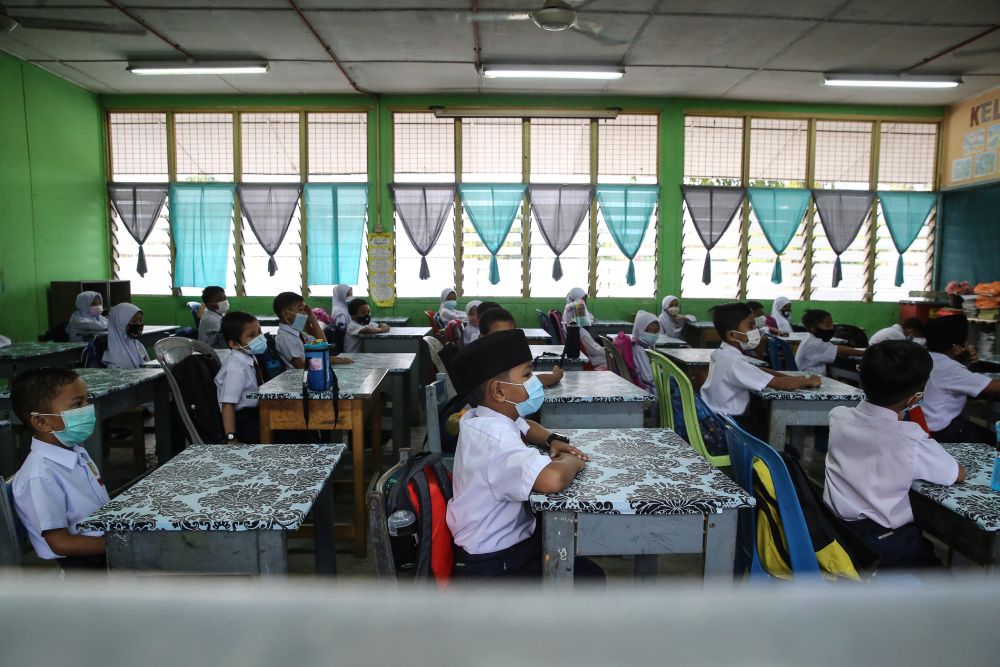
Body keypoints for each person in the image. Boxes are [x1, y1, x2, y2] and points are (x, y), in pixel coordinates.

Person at [445, 328, 600, 581]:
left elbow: (526, 428)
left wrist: (551, 439)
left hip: (491, 549)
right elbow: (552, 480)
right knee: (589, 578)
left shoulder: (482, 417)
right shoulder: (496, 440)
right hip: (494, 566)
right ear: (499, 391)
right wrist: (572, 461)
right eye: (527, 374)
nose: (534, 382)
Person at [824, 340, 965, 570]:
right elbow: (956, 473)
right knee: (940, 582)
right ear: (914, 398)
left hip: (839, 532)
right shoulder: (910, 439)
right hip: (886, 542)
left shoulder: (837, 416)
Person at [10, 368, 109, 570]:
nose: (88, 409)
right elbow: (61, 543)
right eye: (77, 404)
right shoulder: (40, 475)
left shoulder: (75, 451)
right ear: (42, 421)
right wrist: (122, 546)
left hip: (103, 544)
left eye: (86, 401)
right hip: (86, 565)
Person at [701, 302, 821, 419]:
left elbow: (757, 370)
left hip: (716, 417)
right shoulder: (734, 363)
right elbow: (781, 384)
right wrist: (809, 381)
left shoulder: (722, 354)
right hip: (729, 423)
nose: (756, 330)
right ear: (733, 335)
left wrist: (793, 378)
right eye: (751, 326)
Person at [923, 314, 1000, 444]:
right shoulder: (951, 369)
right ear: (956, 347)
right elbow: (994, 387)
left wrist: (964, 360)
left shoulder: (926, 358)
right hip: (942, 433)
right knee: (993, 440)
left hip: (923, 425)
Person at [478, 307, 564, 388]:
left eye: (509, 335)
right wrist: (555, 376)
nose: (504, 342)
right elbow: (528, 384)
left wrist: (555, 376)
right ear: (481, 338)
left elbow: (531, 381)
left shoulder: (511, 358)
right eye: (497, 336)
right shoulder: (481, 365)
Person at [216, 311, 265, 444]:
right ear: (234, 344)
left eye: (259, 331)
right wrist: (232, 438)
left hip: (254, 414)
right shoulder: (236, 368)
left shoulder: (248, 356)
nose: (260, 337)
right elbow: (227, 405)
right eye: (252, 335)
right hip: (242, 421)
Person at [272, 291, 351, 369]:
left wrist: (313, 318)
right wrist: (330, 359)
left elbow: (322, 343)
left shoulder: (297, 333)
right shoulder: (285, 338)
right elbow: (301, 366)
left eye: (305, 310)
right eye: (300, 310)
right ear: (286, 314)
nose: (305, 314)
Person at [795, 309, 866, 376]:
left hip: (812, 376)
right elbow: (840, 350)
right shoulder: (815, 343)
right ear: (813, 329)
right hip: (808, 379)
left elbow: (837, 348)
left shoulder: (811, 337)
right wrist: (864, 353)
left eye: (832, 325)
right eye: (828, 326)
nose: (832, 328)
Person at [561, 287, 607, 369]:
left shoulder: (569, 324)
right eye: (583, 301)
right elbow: (594, 350)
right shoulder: (580, 332)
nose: (585, 303)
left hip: (588, 355)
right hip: (593, 360)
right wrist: (609, 351)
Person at [102, 302, 149, 369]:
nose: (139, 324)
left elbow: (146, 365)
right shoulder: (114, 358)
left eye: (140, 320)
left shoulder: (138, 344)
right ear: (120, 323)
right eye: (134, 321)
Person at [628, 310, 660, 394]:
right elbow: (648, 377)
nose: (652, 334)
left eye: (656, 331)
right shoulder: (640, 349)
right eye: (648, 330)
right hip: (646, 390)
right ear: (639, 329)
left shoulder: (644, 345)